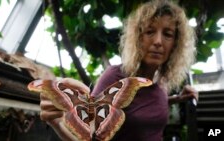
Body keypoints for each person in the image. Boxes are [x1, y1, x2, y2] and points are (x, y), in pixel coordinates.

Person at [39, 0, 199, 140]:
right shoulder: (115, 77)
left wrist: (178, 98)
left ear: (175, 44)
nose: (158, 41)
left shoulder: (160, 81)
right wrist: (58, 124)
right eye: (150, 31)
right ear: (138, 38)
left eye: (167, 34)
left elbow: (144, 103)